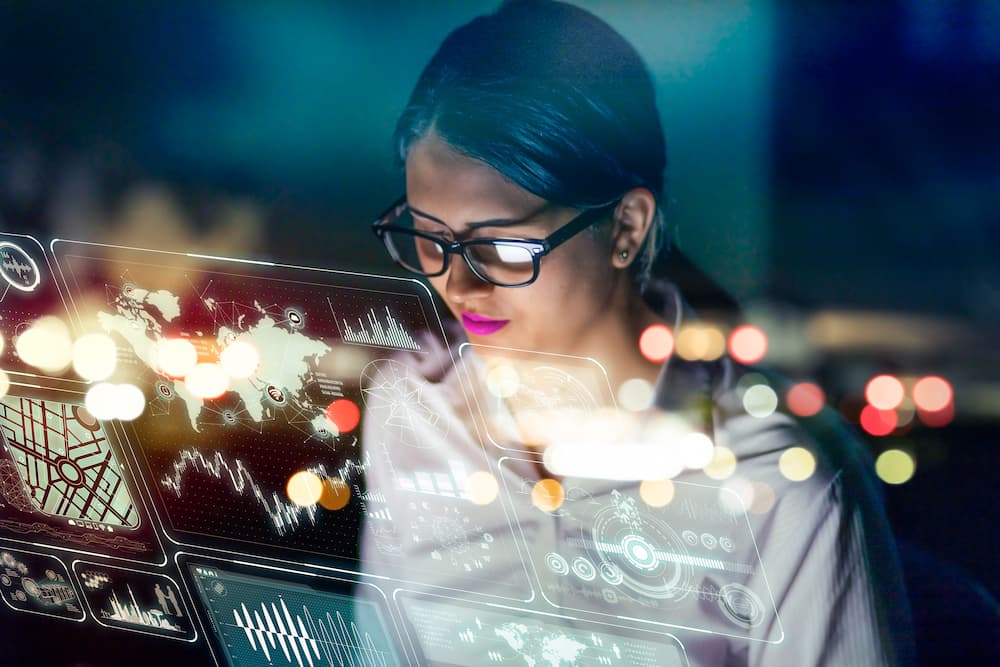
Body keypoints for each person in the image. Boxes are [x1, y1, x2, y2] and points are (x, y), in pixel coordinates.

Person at [359, 2, 915, 665]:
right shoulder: (412, 412)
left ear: (625, 226)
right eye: (427, 237)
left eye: (501, 244)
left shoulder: (778, 481)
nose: (459, 285)